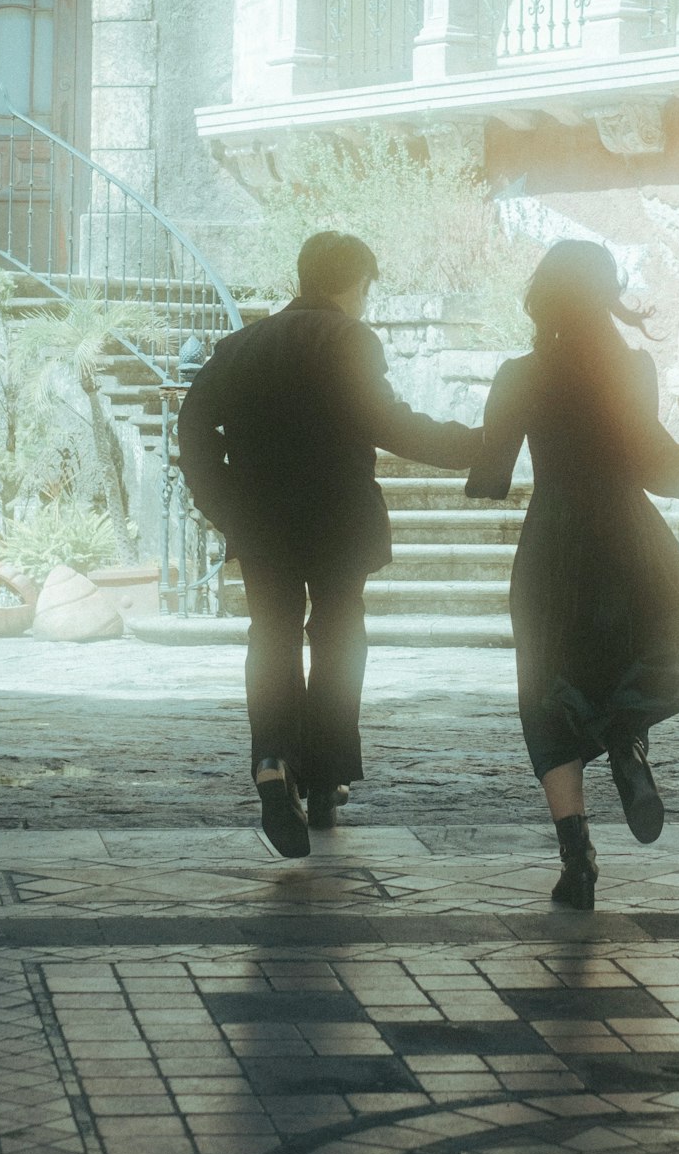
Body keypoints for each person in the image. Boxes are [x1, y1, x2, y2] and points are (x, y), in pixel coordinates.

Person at [467, 240, 679, 909]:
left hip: (553, 551)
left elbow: (490, 478)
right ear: (607, 294)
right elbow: (662, 470)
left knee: (547, 697)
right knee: (632, 665)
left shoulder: (521, 373)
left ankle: (578, 859)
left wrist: (481, 434)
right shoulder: (631, 369)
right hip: (630, 543)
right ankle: (628, 747)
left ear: (541, 294)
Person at [176, 230, 482, 857]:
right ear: (355, 283)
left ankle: (271, 761)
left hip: (262, 521)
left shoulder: (241, 345)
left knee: (274, 632)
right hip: (338, 520)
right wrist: (475, 444)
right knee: (340, 636)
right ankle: (325, 778)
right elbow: (389, 422)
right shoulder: (351, 339)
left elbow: (193, 425)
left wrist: (222, 501)